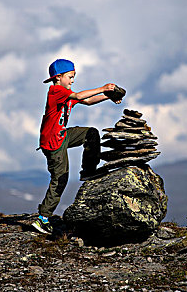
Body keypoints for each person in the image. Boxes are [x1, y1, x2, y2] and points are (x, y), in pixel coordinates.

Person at [32, 58, 122, 234]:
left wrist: (108, 96)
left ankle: (89, 170)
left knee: (91, 133)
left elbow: (87, 101)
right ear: (58, 77)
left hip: (62, 135)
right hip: (52, 143)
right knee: (60, 179)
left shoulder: (65, 92)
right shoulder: (56, 91)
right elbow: (80, 96)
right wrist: (103, 88)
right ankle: (43, 218)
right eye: (70, 77)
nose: (73, 81)